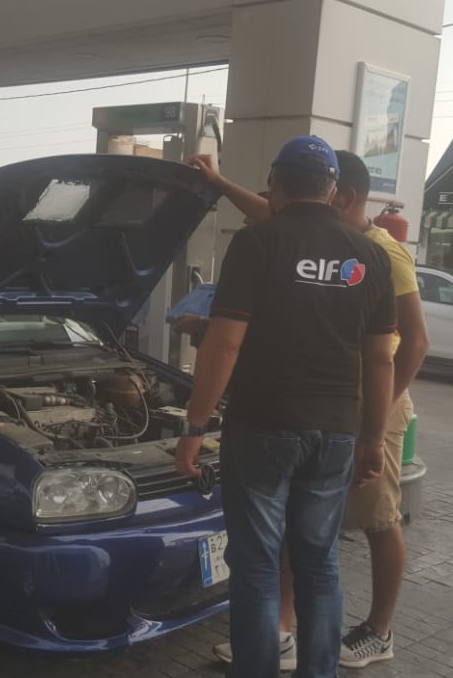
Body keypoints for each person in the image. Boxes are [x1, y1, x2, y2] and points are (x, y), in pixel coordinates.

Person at [184, 150, 430, 671]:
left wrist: (195, 426)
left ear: (275, 183)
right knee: (319, 563)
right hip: (336, 433)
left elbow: (226, 343)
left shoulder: (258, 242)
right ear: (332, 190)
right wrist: (370, 439)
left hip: (262, 427)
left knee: (257, 565)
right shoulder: (370, 256)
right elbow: (381, 359)